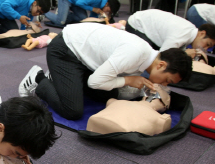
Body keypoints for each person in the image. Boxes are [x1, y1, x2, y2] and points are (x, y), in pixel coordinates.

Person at [18, 23, 192, 120]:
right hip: (65, 51)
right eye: (167, 80)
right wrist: (128, 81)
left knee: (110, 95)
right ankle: (39, 79)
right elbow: (95, 82)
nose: (164, 84)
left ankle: (58, 77)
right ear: (161, 65)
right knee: (73, 111)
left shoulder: (146, 56)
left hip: (85, 58)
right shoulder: (136, 54)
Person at [127, 9, 215, 58]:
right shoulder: (183, 33)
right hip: (137, 24)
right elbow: (163, 54)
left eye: (208, 48)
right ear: (202, 33)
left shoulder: (191, 30)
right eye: (207, 44)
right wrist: (184, 53)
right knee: (147, 58)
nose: (205, 49)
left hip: (149, 23)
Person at [45, 0, 121, 27]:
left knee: (82, 20)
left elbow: (91, 18)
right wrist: (93, 9)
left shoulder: (101, 5)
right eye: (108, 10)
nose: (106, 12)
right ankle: (44, 11)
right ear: (107, 3)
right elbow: (79, 2)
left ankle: (64, 13)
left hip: (76, 2)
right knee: (60, 22)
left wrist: (100, 20)